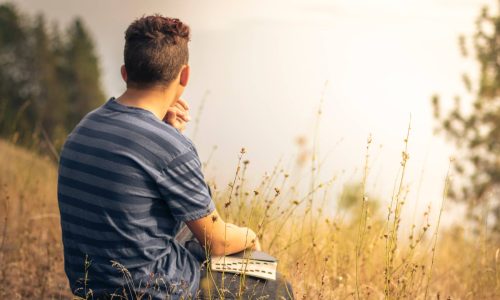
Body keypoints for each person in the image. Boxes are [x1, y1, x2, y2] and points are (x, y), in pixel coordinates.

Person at [57, 15, 293, 299]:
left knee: (194, 238)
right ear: (184, 76)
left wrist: (167, 132)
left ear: (124, 73)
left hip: (93, 283)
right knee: (272, 281)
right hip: (150, 289)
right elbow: (216, 241)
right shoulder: (171, 147)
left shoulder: (84, 128)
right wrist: (250, 236)